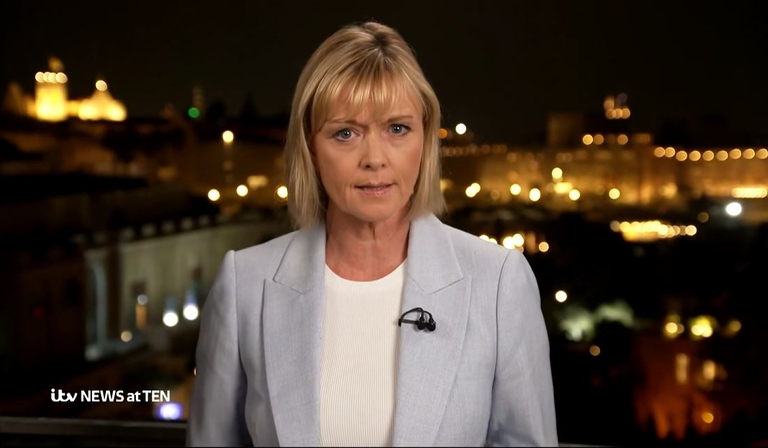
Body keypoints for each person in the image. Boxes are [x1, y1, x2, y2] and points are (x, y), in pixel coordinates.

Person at [187, 20, 557, 447]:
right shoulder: (245, 285)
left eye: (397, 129)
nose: (375, 159)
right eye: (345, 133)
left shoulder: (499, 283)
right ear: (310, 147)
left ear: (425, 138)